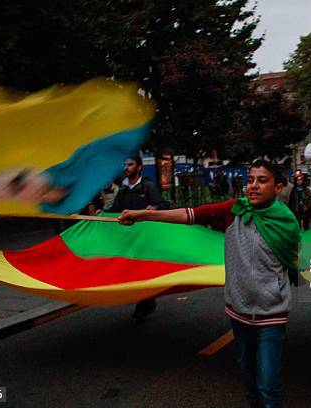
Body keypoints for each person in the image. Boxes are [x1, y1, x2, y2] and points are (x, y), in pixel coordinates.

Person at [118, 160, 300, 408]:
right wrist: (144, 215)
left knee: (268, 383)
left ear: (278, 188)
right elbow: (189, 214)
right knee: (249, 377)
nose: (253, 186)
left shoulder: (286, 222)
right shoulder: (232, 210)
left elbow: (293, 258)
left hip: (272, 314)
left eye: (262, 180)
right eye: (250, 180)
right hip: (239, 311)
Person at [104, 156, 169, 322]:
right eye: (125, 165)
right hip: (130, 238)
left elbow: (163, 205)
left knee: (142, 270)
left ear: (139, 167)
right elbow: (115, 210)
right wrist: (102, 214)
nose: (126, 168)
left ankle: (143, 305)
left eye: (130, 164)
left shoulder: (148, 186)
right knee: (134, 270)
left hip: (146, 239)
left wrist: (154, 207)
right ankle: (149, 300)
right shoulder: (123, 189)